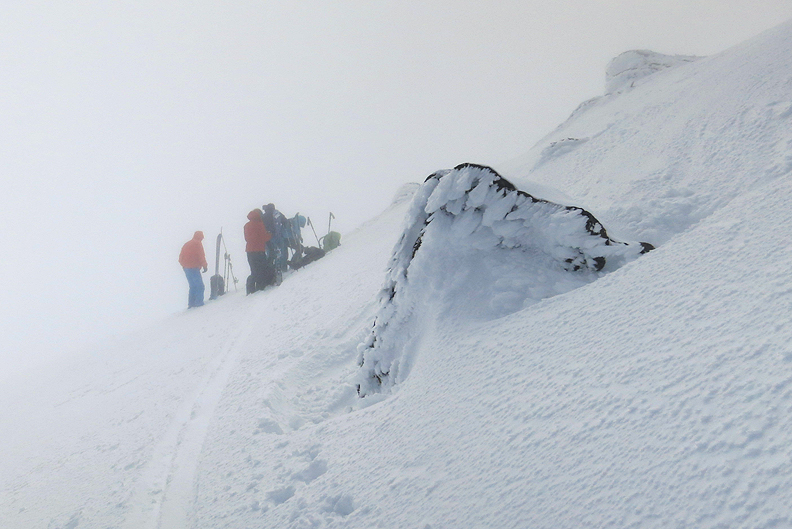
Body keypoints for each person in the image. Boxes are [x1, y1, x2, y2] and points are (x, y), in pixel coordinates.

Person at [244, 209, 273, 293]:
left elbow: (247, 238)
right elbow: (263, 237)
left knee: (254, 270)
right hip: (259, 250)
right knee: (262, 268)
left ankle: (251, 289)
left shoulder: (246, 225)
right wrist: (270, 235)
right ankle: (261, 287)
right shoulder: (260, 224)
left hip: (249, 250)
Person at [179, 231, 208, 308]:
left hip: (186, 268)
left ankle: (191, 304)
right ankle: (199, 303)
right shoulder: (198, 244)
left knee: (192, 286)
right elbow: (201, 256)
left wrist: (184, 265)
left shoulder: (187, 244)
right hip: (194, 267)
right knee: (200, 286)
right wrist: (204, 266)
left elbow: (180, 257)